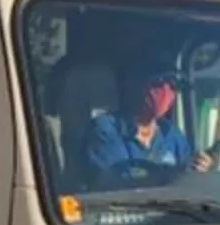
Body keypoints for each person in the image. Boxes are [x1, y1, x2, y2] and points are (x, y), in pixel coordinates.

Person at [81, 70, 210, 183]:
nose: (166, 91)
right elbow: (116, 182)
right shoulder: (106, 129)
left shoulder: (171, 134)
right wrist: (172, 174)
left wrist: (198, 168)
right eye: (158, 83)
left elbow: (187, 175)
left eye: (172, 85)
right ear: (137, 85)